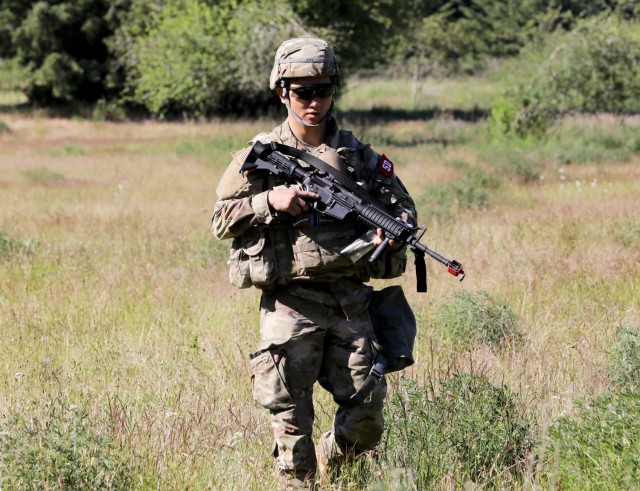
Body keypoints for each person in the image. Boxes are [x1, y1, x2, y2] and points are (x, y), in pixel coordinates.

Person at [211, 36, 417, 489]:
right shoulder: (259, 155)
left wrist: (390, 233)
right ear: (282, 91)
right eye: (302, 92)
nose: (313, 102)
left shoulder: (358, 157)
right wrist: (270, 200)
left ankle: (333, 460)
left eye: (322, 90)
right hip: (291, 304)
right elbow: (220, 220)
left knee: (366, 422)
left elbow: (404, 210)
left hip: (351, 302)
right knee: (291, 431)